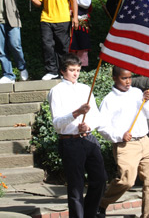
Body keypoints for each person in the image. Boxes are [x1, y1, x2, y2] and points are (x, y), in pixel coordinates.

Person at [47, 53, 107, 218]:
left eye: (78, 70)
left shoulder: (85, 89)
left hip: (88, 138)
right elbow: (57, 122)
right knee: (76, 185)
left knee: (100, 179)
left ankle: (89, 213)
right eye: (72, 70)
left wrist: (88, 125)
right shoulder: (56, 91)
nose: (75, 73)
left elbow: (97, 115)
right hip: (70, 142)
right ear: (63, 71)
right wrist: (76, 113)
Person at [97, 66, 149, 218]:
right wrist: (120, 136)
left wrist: (146, 101)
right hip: (126, 145)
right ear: (114, 78)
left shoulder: (137, 93)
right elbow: (102, 127)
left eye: (130, 78)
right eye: (124, 78)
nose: (128, 81)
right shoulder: (109, 100)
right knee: (126, 181)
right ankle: (101, 203)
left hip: (145, 141)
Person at [28, 0, 79, 80]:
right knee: (47, 45)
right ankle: (51, 71)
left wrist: (75, 18)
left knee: (63, 47)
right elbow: (39, 3)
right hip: (46, 19)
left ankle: (64, 71)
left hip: (63, 19)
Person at [68, 0, 92, 68]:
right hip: (68, 22)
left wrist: (74, 0)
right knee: (71, 45)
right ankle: (72, 66)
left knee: (82, 44)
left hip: (81, 21)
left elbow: (86, 3)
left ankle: (83, 66)